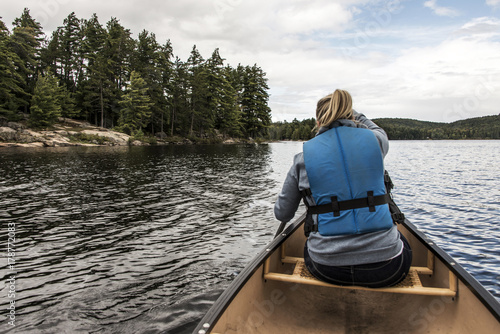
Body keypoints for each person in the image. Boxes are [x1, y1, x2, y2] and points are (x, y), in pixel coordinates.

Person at [274, 89, 412, 288]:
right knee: (401, 243)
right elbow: (378, 129)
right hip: (387, 268)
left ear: (318, 122)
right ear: (352, 116)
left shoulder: (302, 158)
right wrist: (353, 114)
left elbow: (282, 213)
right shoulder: (376, 142)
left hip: (326, 268)